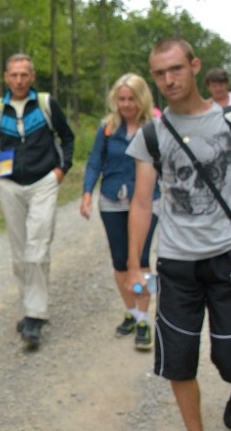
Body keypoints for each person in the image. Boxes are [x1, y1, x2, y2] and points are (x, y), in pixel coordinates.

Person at [127, 39, 231, 431]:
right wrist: (135, 263)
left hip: (230, 256)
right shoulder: (152, 134)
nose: (168, 80)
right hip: (176, 262)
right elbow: (141, 203)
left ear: (194, 66)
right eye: (159, 73)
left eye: (176, 69)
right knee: (178, 358)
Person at [0, 53, 75, 350]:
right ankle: (32, 308)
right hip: (11, 187)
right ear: (6, 78)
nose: (19, 80)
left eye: (24, 75)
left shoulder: (46, 104)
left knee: (37, 249)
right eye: (14, 75)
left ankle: (35, 316)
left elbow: (67, 137)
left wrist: (62, 169)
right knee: (20, 255)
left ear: (32, 77)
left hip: (43, 183)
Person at [80, 73, 160, 351]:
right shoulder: (107, 128)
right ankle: (131, 310)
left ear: (142, 100)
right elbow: (94, 163)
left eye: (131, 99)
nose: (126, 105)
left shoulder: (154, 128)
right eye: (121, 99)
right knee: (120, 261)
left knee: (141, 259)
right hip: (113, 200)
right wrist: (87, 193)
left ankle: (144, 318)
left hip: (148, 202)